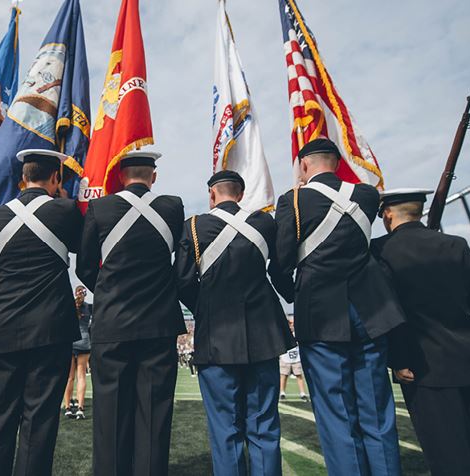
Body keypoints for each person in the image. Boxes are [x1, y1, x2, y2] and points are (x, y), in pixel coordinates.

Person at [274, 139, 405, 476]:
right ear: (337, 161)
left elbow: (280, 263)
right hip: (371, 313)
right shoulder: (367, 195)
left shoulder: (293, 200)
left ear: (303, 166)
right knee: (376, 409)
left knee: (336, 414)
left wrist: (295, 295)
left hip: (319, 315)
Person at [372, 188, 470, 475]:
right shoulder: (456, 244)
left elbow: (390, 309)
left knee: (448, 450)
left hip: (424, 362)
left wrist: (399, 358)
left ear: (387, 213)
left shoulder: (380, 250)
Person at [175, 170, 295, 476]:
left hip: (216, 337)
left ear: (212, 195)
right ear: (241, 194)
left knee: (225, 430)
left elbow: (182, 282)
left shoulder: (194, 226)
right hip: (264, 336)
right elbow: (281, 267)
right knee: (264, 426)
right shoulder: (265, 223)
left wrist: (204, 307)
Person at [77, 151, 187, 476]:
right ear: (153, 177)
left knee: (110, 418)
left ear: (121, 177)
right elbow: (181, 268)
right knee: (154, 416)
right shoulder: (173, 206)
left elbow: (85, 267)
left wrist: (110, 293)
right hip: (159, 325)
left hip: (111, 324)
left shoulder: (100, 208)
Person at [0, 149, 83, 476]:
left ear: (23, 178)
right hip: (52, 328)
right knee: (39, 421)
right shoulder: (65, 210)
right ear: (56, 178)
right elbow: (84, 247)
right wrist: (63, 200)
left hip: (5, 326)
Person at [63, 285, 92, 420]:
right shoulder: (89, 307)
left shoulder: (69, 306)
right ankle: (80, 408)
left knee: (70, 377)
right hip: (84, 341)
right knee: (81, 376)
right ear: (84, 294)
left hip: (71, 341)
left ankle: (68, 407)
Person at [279, 321, 308, 402]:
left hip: (296, 359)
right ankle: (282, 392)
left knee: (299, 375)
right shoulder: (283, 334)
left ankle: (302, 393)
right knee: (284, 376)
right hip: (285, 358)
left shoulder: (297, 334)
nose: (291, 326)